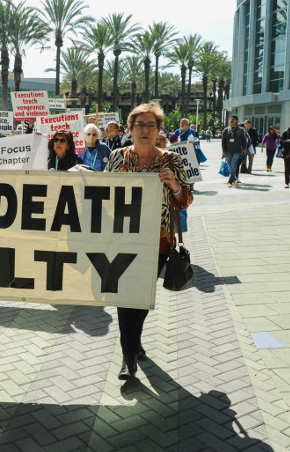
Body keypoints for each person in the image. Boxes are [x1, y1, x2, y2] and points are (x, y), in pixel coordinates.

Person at [104, 102, 192, 380]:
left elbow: (185, 201)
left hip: (157, 242)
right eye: (139, 125)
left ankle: (134, 341)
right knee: (124, 298)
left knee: (141, 299)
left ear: (158, 131)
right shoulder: (117, 157)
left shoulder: (172, 160)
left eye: (150, 125)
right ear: (129, 129)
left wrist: (175, 185)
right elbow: (101, 196)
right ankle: (128, 357)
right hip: (120, 240)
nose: (144, 130)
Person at [221, 115, 246, 187]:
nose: (231, 120)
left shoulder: (240, 130)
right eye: (230, 119)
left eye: (233, 119)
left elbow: (244, 140)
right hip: (228, 151)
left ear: (236, 121)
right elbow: (223, 142)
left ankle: (230, 181)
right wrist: (223, 151)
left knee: (233, 166)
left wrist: (244, 148)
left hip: (237, 151)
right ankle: (234, 178)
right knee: (230, 166)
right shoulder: (226, 130)